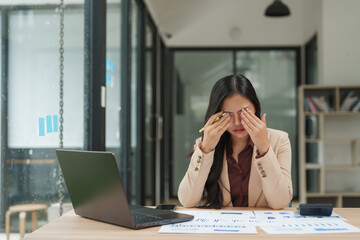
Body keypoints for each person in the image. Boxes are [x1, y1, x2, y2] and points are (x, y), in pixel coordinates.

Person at [178, 74, 292, 209]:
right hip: (223, 227)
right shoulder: (205, 144)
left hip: (262, 227)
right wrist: (206, 148)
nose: (237, 122)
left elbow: (280, 202)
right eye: (227, 114)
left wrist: (264, 148)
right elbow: (187, 201)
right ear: (216, 115)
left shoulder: (279, 140)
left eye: (244, 111)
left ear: (255, 108)